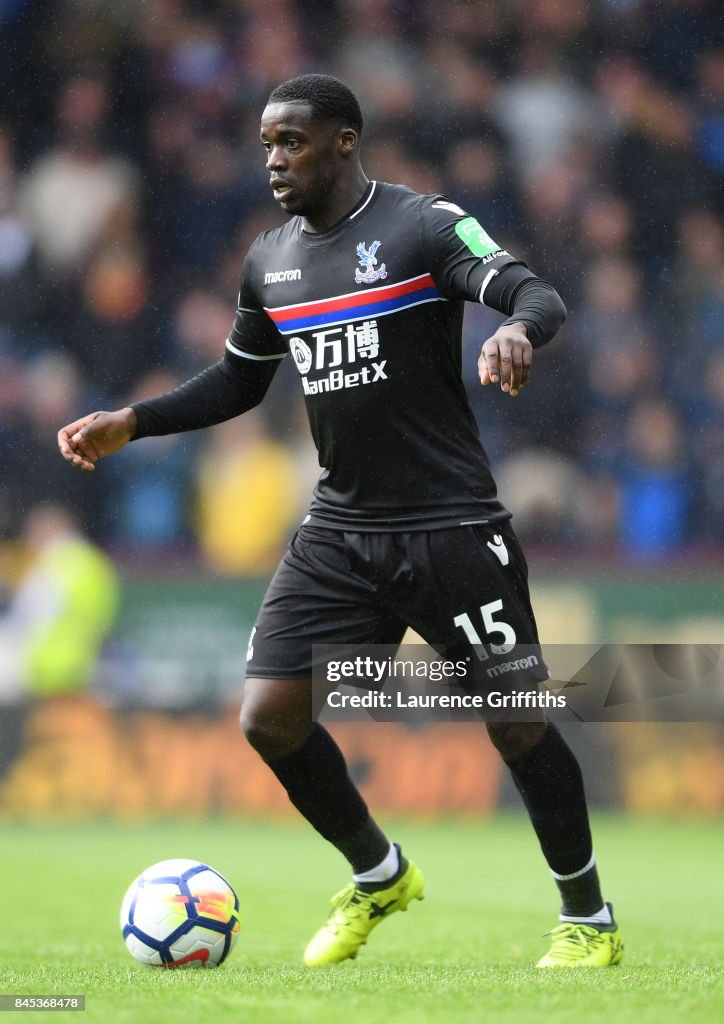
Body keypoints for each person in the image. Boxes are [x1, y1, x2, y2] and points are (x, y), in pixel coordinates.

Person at [58, 74, 622, 969]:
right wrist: (139, 419)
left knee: (516, 722)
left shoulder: (424, 225)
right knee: (268, 716)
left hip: (452, 526)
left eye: (291, 142)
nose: (274, 161)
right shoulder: (270, 260)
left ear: (344, 141)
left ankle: (586, 919)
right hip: (341, 530)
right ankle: (379, 871)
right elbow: (242, 380)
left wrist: (516, 331)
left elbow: (533, 292)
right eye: (266, 144)